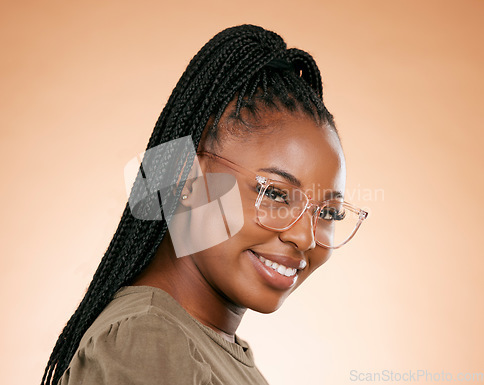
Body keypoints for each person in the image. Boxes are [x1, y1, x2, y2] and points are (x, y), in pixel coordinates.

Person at [42, 24, 368, 385]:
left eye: (328, 213)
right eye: (275, 193)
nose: (305, 238)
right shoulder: (148, 341)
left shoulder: (202, 345)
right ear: (186, 178)